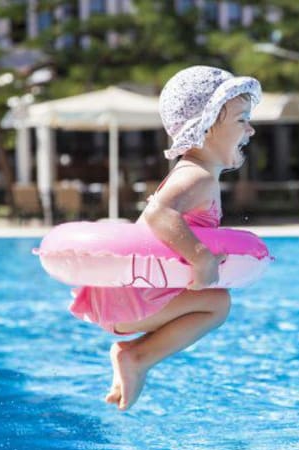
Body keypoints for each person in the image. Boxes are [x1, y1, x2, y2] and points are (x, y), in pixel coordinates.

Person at [69, 66, 261, 411]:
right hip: (132, 300)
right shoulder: (197, 177)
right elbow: (159, 213)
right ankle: (138, 357)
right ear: (205, 127)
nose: (251, 129)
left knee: (216, 301)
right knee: (218, 304)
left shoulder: (197, 175)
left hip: (131, 299)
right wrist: (201, 257)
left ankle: (134, 354)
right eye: (241, 119)